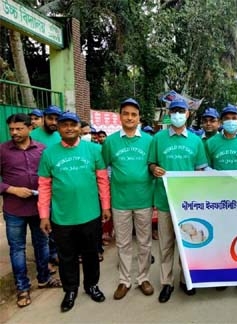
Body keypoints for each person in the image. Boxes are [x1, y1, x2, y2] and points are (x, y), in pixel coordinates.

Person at [38, 111, 111, 312]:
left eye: (73, 124)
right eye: (64, 125)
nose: (69, 128)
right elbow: (44, 186)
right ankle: (70, 290)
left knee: (90, 254)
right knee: (67, 256)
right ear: (59, 128)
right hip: (62, 217)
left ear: (80, 127)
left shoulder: (94, 150)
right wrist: (44, 215)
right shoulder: (49, 153)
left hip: (90, 215)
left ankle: (91, 285)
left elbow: (102, 180)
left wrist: (105, 205)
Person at [148, 99, 208, 303]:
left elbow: (201, 171)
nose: (177, 114)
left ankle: (186, 279)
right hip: (165, 201)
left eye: (181, 111)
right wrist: (154, 169)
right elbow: (151, 164)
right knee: (166, 244)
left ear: (188, 114)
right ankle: (167, 283)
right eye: (173, 111)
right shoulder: (158, 139)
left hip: (188, 203)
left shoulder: (196, 141)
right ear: (168, 113)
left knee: (188, 243)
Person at [0, 113, 62, 308]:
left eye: (19, 128)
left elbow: (50, 176)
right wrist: (12, 189)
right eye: (11, 129)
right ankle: (22, 288)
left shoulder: (42, 150)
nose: (14, 132)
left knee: (42, 244)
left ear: (29, 128)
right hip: (14, 209)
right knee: (17, 249)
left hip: (39, 209)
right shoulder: (3, 151)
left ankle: (44, 278)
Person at [102, 98, 155, 300]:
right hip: (120, 202)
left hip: (143, 200)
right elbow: (104, 169)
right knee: (123, 243)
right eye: (126, 113)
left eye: (134, 114)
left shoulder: (149, 141)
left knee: (144, 242)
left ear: (139, 117)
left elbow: (153, 165)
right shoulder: (110, 141)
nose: (130, 117)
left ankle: (143, 278)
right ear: (120, 116)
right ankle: (124, 281)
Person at [205, 104, 237, 293]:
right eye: (226, 118)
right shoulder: (211, 143)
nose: (230, 121)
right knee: (221, 237)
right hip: (219, 199)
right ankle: (222, 274)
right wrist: (220, 177)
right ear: (221, 121)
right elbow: (205, 169)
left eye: (233, 118)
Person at [30, 105, 62, 273]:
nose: (54, 122)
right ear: (44, 117)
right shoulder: (32, 136)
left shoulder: (59, 136)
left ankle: (54, 253)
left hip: (57, 188)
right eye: (51, 118)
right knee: (42, 227)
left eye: (57, 119)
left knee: (55, 223)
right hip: (38, 188)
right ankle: (44, 260)